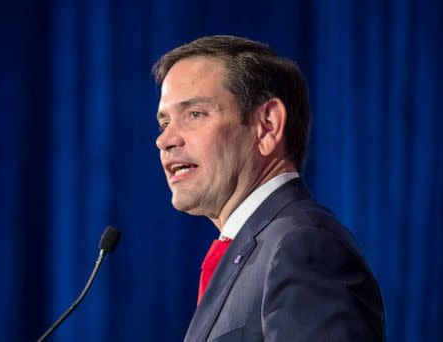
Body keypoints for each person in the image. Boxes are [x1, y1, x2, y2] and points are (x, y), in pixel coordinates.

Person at [153, 35, 385, 341]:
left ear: (268, 125)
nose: (165, 140)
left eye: (195, 114)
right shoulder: (258, 248)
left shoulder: (301, 246)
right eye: (164, 122)